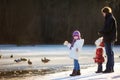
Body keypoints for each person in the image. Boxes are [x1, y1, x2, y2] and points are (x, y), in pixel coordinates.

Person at [98, 6, 117, 73]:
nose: (103, 14)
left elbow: (108, 29)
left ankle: (109, 69)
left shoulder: (110, 19)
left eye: (103, 13)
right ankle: (111, 68)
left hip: (109, 39)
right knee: (110, 53)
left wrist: (101, 31)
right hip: (110, 38)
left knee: (109, 54)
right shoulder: (109, 18)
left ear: (105, 12)